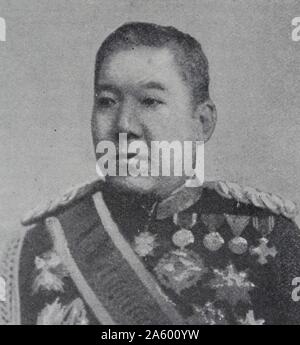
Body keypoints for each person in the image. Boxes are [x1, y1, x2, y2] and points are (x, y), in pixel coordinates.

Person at [1, 22, 300, 325]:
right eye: (107, 101)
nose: (124, 125)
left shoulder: (268, 236)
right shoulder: (38, 245)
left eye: (150, 101)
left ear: (202, 122)